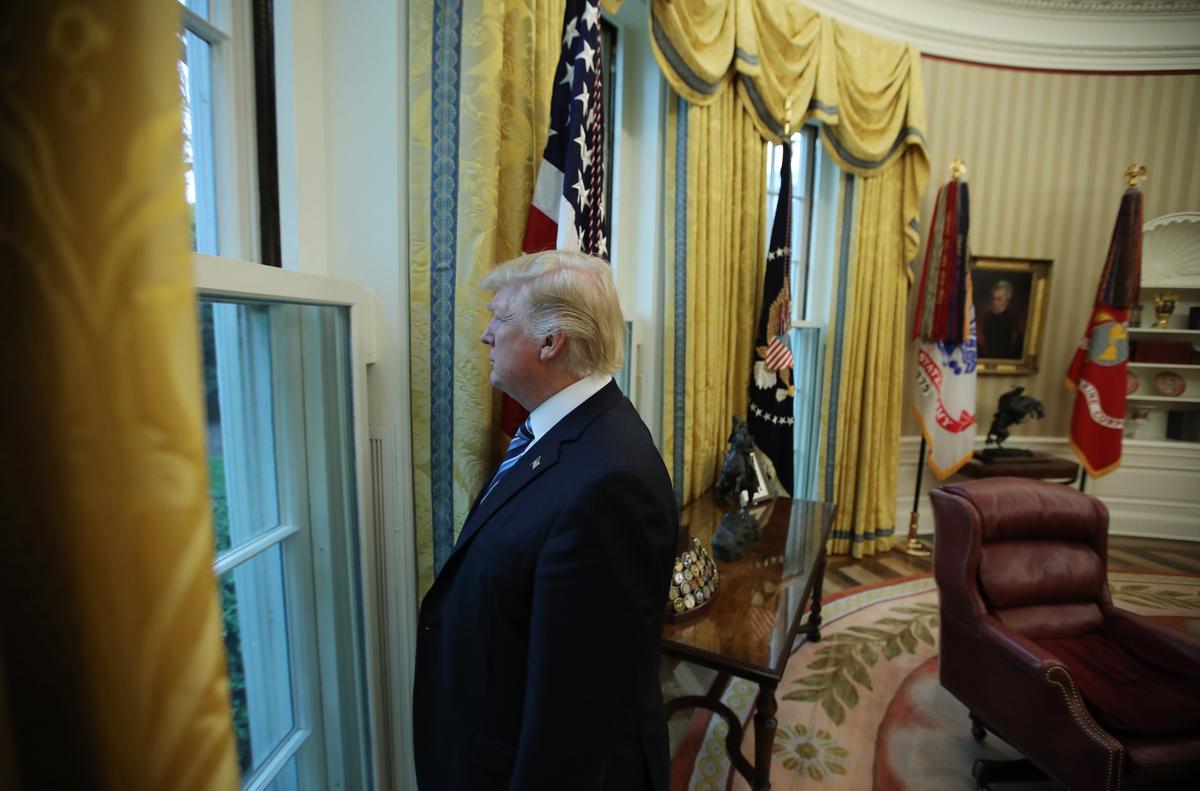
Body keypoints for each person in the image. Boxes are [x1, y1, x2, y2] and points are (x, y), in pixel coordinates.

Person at [413, 250, 679, 791]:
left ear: (551, 341)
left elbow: (577, 713)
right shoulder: (556, 431)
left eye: (501, 318)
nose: (486, 334)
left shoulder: (611, 480)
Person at [978, 279, 1024, 359]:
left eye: (999, 299)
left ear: (1007, 300)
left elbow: (1016, 343)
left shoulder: (1012, 319)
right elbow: (981, 341)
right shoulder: (986, 318)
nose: (995, 302)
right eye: (994, 298)